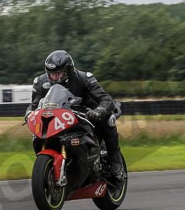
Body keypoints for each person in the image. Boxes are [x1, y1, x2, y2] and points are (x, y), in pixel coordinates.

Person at [25, 50, 126, 179]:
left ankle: (115, 161)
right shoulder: (40, 83)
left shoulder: (84, 78)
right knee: (39, 133)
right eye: (51, 74)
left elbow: (106, 99)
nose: (55, 78)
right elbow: (34, 105)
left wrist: (99, 110)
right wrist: (29, 114)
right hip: (59, 115)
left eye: (59, 74)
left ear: (69, 71)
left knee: (107, 119)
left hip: (87, 112)